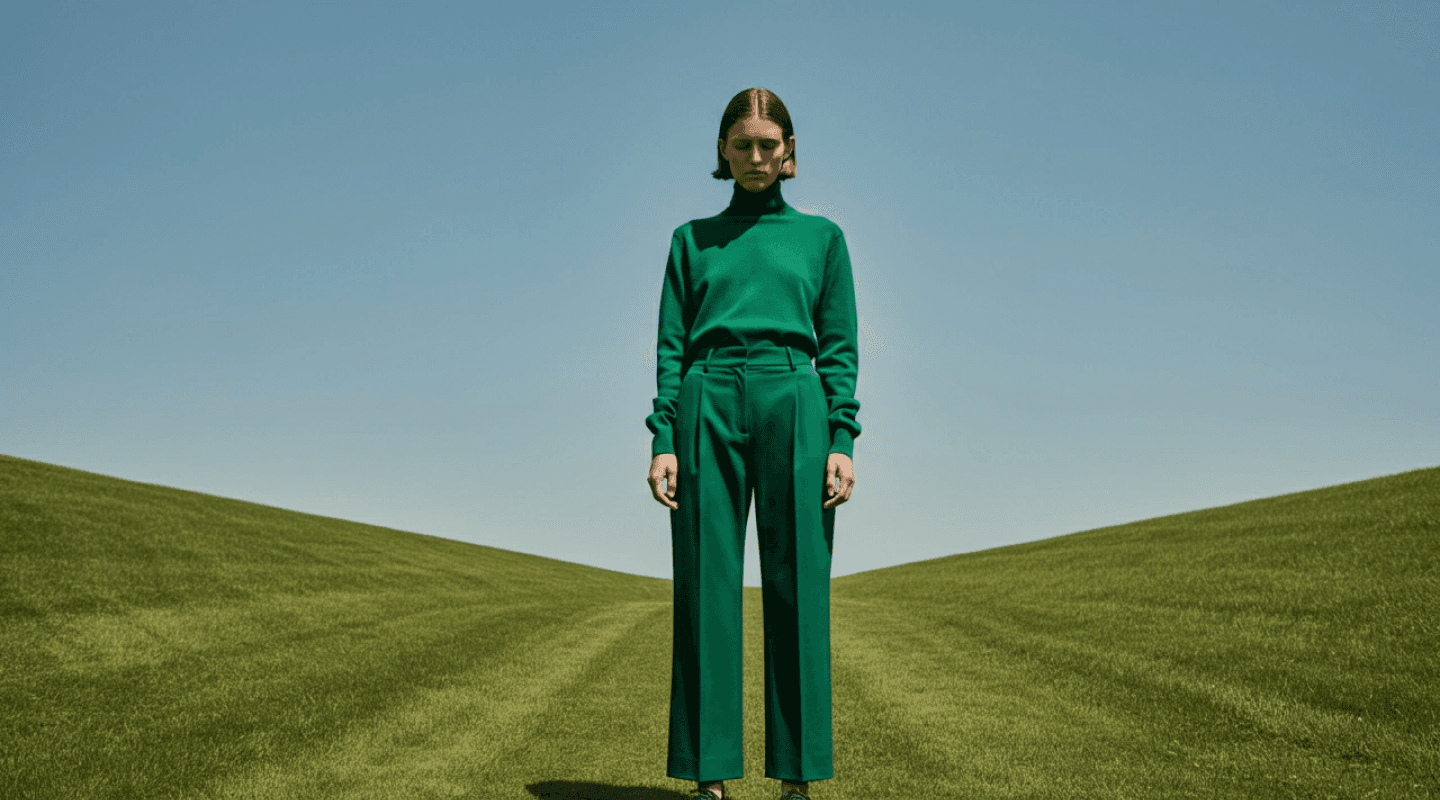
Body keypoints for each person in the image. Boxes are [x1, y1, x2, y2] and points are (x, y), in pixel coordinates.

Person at [645, 87, 860, 800]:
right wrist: (664, 439)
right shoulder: (690, 240)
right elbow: (670, 348)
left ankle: (797, 782)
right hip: (706, 397)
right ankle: (709, 781)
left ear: (790, 153)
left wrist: (841, 439)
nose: (757, 156)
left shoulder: (823, 239)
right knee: (706, 588)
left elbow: (839, 349)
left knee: (799, 589)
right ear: (722, 152)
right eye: (743, 145)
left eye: (770, 144)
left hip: (794, 396)